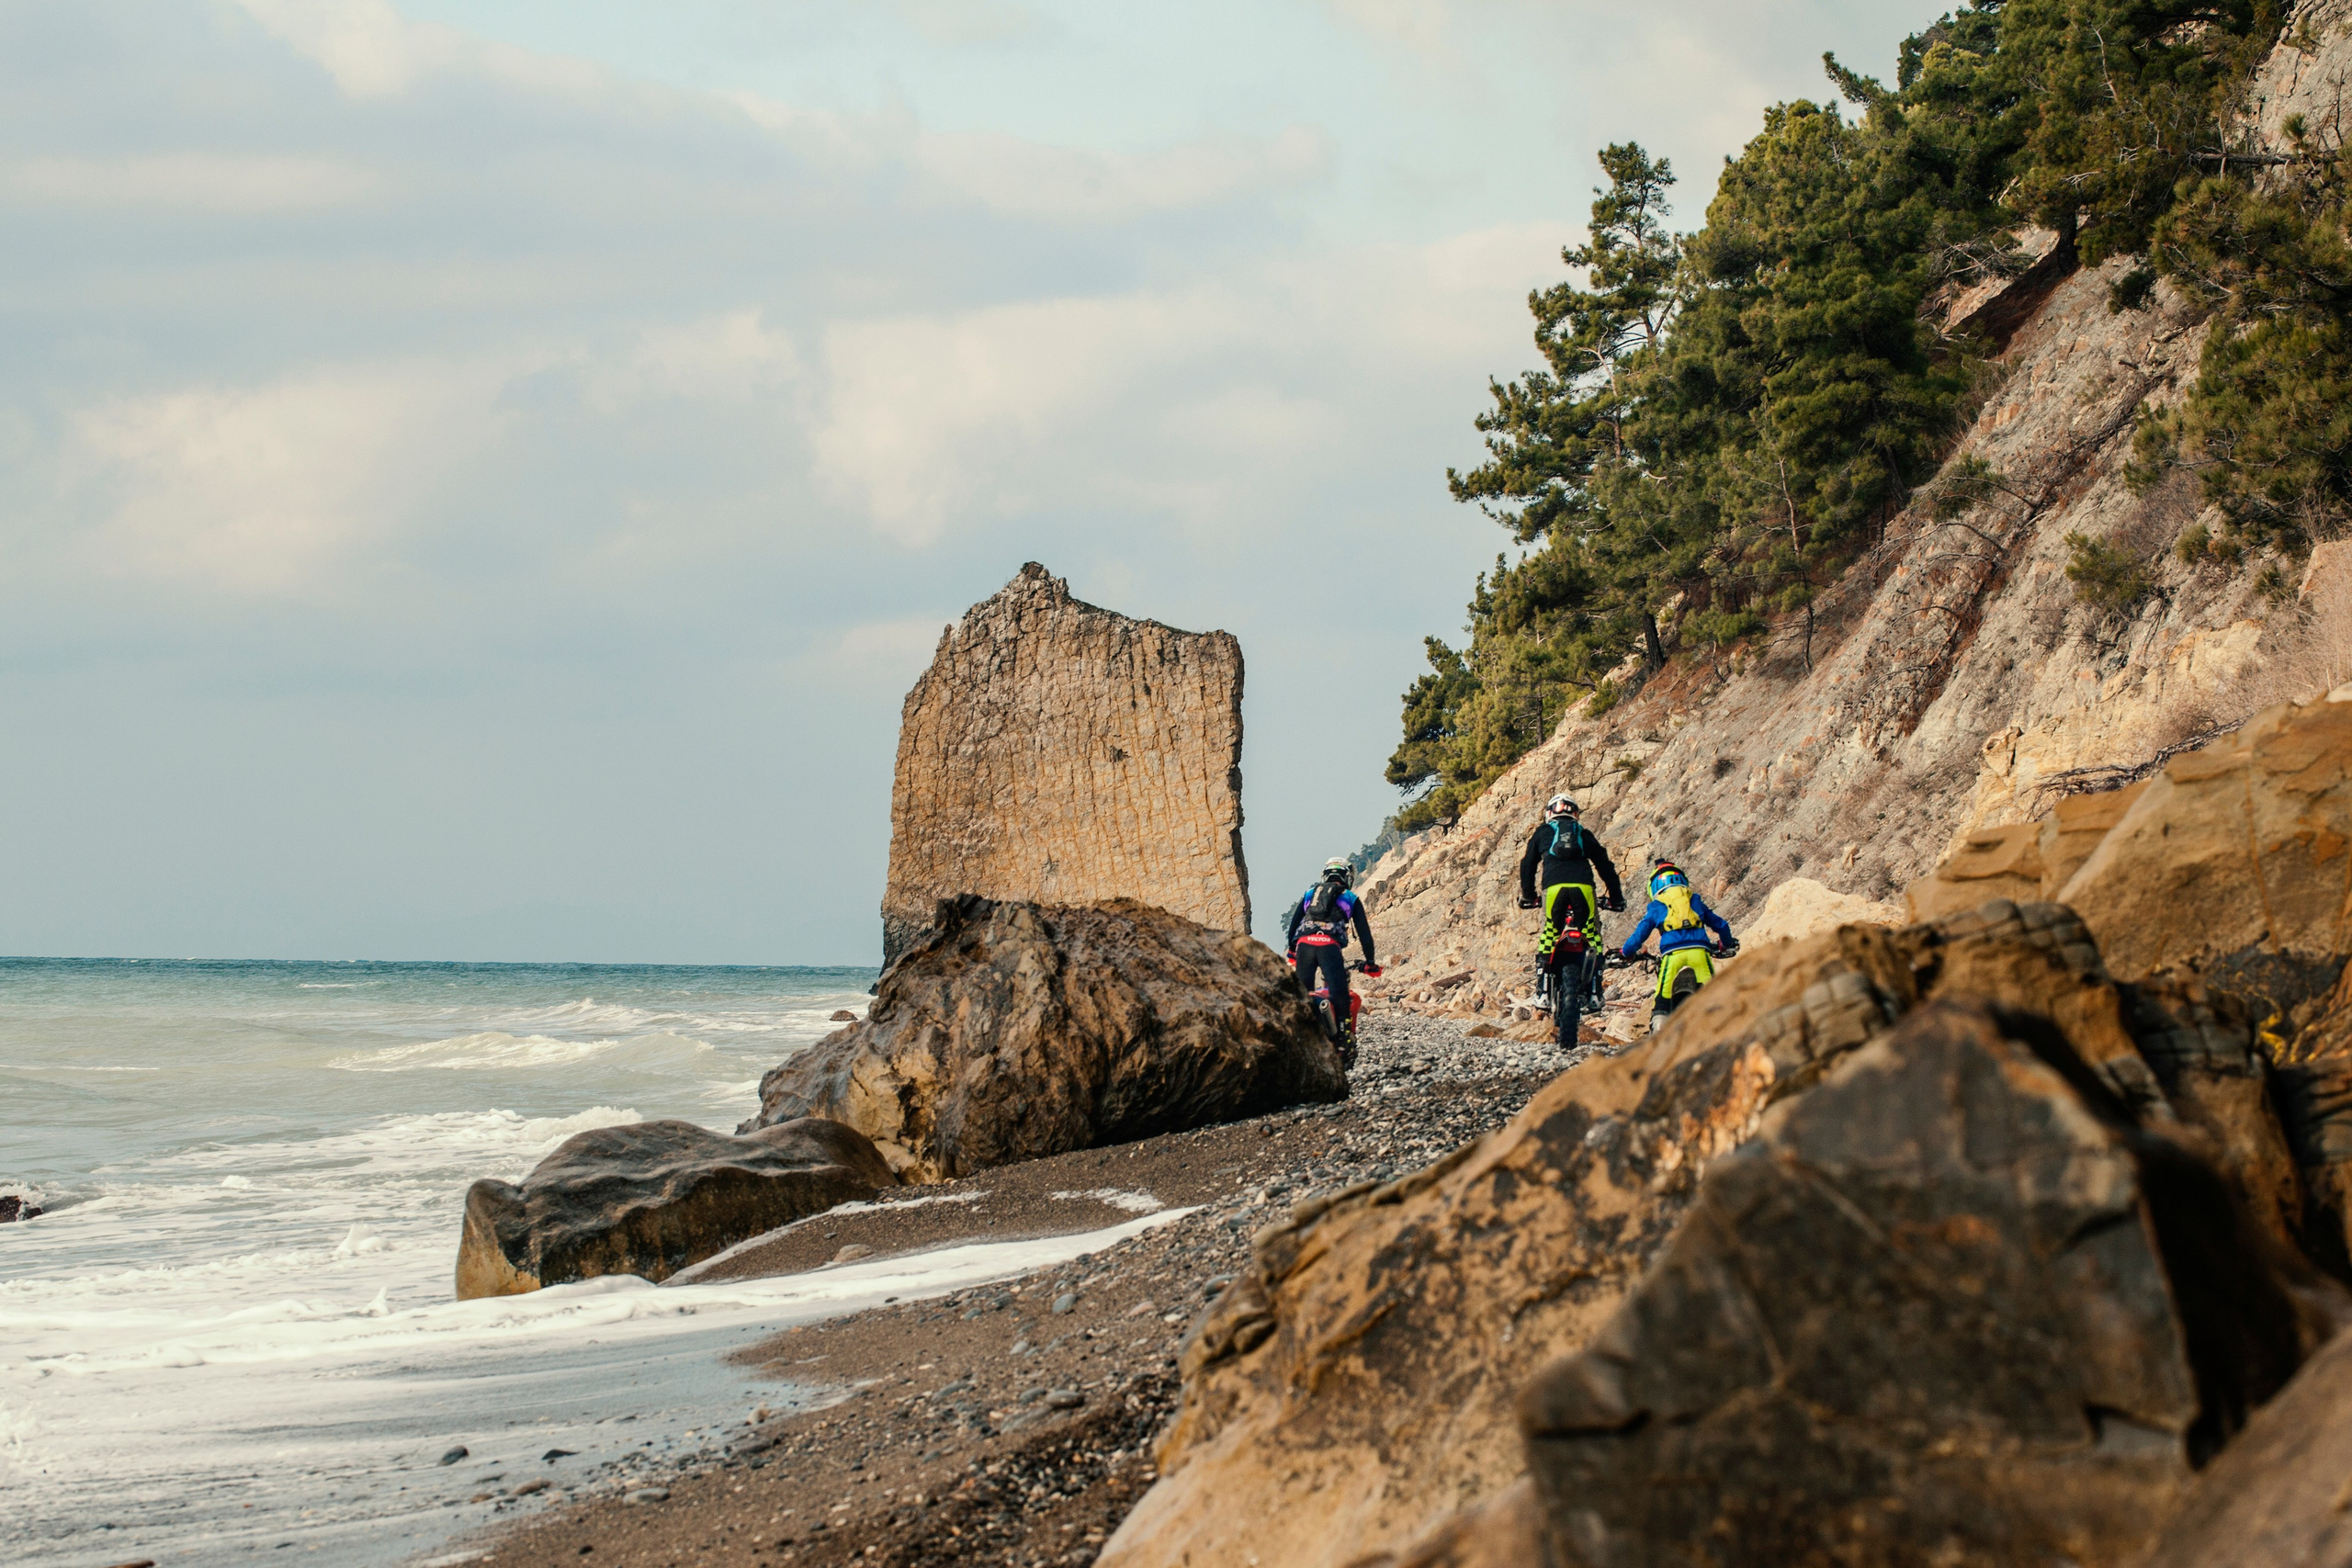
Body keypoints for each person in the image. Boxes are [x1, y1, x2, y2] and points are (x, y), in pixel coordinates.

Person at [1516, 795, 1624, 1009]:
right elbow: (1605, 866)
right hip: (1583, 887)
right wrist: (1616, 898)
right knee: (1592, 934)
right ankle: (1595, 993)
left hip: (1554, 888)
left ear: (1549, 813)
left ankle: (1543, 992)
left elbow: (1527, 865)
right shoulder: (1583, 833)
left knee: (1550, 933)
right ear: (1575, 814)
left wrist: (1529, 895)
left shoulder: (1543, 832)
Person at [1618, 855, 1737, 1027]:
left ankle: (1658, 1029)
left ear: (1654, 886)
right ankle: (1721, 1029)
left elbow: (1640, 934)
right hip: (1699, 953)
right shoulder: (1694, 900)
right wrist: (1725, 943)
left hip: (1672, 955)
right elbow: (1721, 925)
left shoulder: (1657, 906)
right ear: (1682, 880)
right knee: (1713, 992)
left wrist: (1626, 952)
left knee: (1663, 994)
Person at [1286, 858, 1380, 1052]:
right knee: (1340, 995)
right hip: (1329, 947)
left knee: (1303, 996)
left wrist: (1292, 951)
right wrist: (1370, 962)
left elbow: (1293, 926)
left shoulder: (1311, 894)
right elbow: (1365, 935)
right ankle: (1343, 1041)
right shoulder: (1350, 898)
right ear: (1347, 877)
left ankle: (1302, 1041)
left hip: (1304, 946)